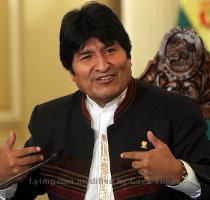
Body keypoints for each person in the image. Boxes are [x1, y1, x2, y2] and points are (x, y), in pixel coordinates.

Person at [0, 1, 210, 200]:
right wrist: (4, 179)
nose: (102, 66)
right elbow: (21, 192)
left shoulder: (177, 112)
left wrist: (178, 174)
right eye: (86, 57)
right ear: (72, 72)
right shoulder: (49, 120)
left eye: (110, 50)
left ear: (128, 57)